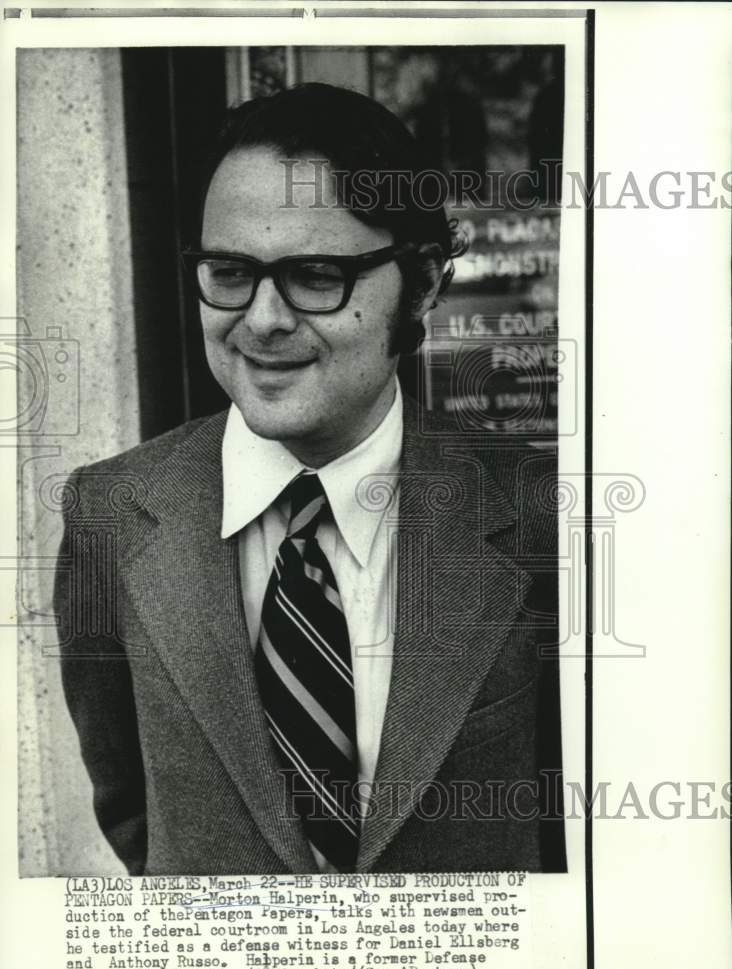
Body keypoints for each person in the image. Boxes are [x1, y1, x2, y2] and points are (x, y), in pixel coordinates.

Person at [55, 83, 564, 875]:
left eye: (316, 274)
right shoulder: (109, 516)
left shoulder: (541, 514)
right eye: (229, 272)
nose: (261, 319)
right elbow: (131, 806)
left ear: (423, 283)